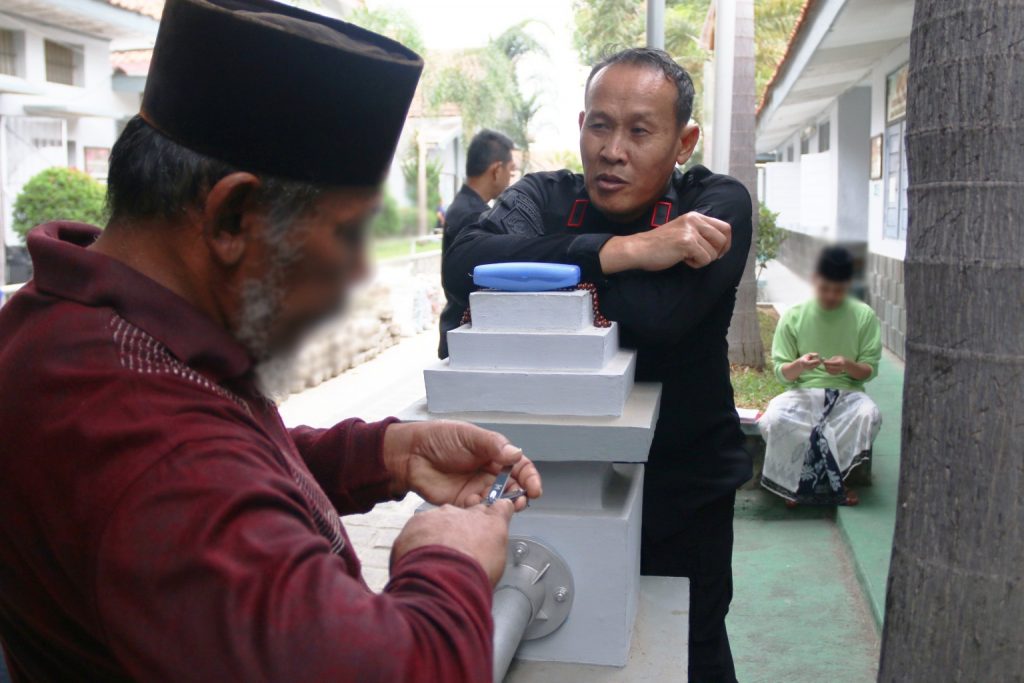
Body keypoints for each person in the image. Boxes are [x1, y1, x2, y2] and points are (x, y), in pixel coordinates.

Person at [0, 1, 542, 681]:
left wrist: (380, 454)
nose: (356, 271)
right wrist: (447, 559)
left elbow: (228, 464)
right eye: (346, 234)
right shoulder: (148, 448)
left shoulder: (72, 322)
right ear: (231, 216)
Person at [444, 47, 752, 682]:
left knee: (691, 648)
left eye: (640, 130)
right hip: (549, 479)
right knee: (561, 653)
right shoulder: (544, 194)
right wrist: (623, 252)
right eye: (599, 125)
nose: (613, 150)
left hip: (683, 481)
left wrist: (537, 282)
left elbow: (662, 316)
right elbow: (465, 261)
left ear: (684, 139)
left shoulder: (715, 204)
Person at [760, 246, 882, 506]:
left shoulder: (864, 316)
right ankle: (793, 483)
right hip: (802, 394)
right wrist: (801, 366)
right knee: (775, 418)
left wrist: (849, 365)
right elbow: (782, 373)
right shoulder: (794, 316)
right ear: (815, 280)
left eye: (838, 290)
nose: (831, 296)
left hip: (848, 397)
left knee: (868, 415)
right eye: (825, 288)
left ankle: (836, 482)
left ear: (848, 285)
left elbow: (869, 370)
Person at [438, 129, 517, 358]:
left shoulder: (464, 207)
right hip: (463, 338)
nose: (510, 179)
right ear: (496, 170)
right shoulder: (474, 217)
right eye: (510, 172)